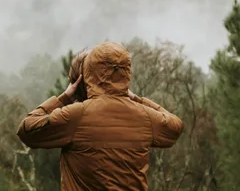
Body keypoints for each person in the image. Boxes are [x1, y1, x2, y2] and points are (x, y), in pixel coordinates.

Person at [16, 41, 184, 191]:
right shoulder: (144, 116)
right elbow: (175, 127)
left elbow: (27, 130)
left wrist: (65, 97)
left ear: (88, 75)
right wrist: (135, 99)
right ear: (126, 73)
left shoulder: (76, 116)